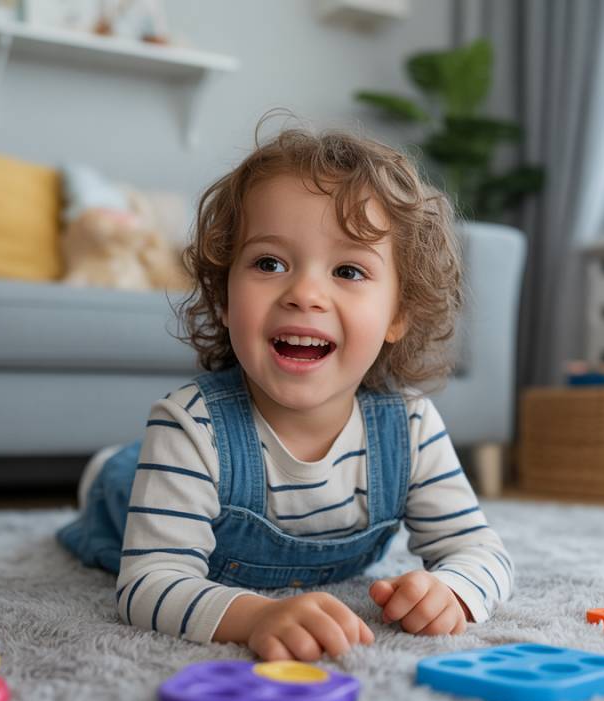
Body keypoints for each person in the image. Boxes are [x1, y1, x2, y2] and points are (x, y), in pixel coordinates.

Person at [57, 115, 515, 662]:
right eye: (270, 263)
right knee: (120, 484)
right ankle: (106, 470)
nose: (305, 293)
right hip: (136, 491)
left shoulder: (410, 428)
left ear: (399, 313)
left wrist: (453, 592)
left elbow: (480, 551)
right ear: (224, 297)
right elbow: (148, 584)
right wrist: (256, 616)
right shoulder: (189, 426)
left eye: (349, 270)